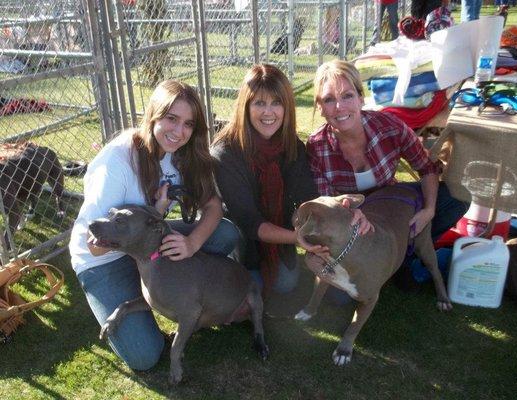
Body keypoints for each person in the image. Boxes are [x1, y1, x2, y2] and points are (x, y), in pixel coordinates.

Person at [69, 80, 239, 371]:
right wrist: (150, 220)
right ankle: (152, 296)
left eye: (188, 123)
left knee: (224, 233)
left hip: (146, 244)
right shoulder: (117, 160)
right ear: (153, 115)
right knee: (145, 356)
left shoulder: (181, 154)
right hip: (105, 260)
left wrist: (191, 243)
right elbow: (93, 246)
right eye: (171, 119)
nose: (178, 131)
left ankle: (194, 292)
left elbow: (213, 207)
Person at [306, 60, 467, 294]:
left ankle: (406, 252)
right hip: (351, 219)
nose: (339, 107)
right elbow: (326, 201)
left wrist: (429, 210)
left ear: (361, 99)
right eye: (329, 99)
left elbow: (426, 166)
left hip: (390, 206)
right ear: (320, 107)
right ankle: (383, 259)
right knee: (337, 297)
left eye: (347, 96)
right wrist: (350, 213)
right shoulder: (316, 146)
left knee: (457, 198)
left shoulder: (389, 126)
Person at [211, 64, 371, 295]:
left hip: (278, 232)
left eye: (277, 103)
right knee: (244, 286)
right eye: (259, 103)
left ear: (287, 108)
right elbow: (248, 222)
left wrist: (346, 211)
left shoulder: (291, 146)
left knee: (284, 284)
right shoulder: (225, 153)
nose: (269, 112)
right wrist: (297, 238)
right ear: (245, 107)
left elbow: (308, 198)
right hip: (239, 235)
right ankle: (221, 270)